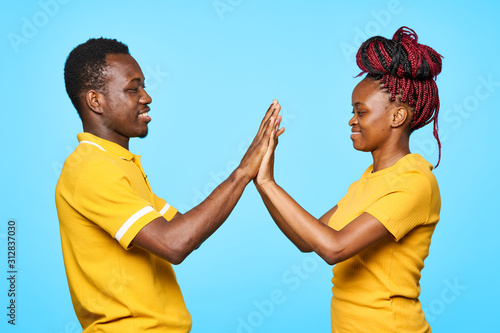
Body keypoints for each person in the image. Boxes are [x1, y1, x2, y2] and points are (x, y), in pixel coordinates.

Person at [55, 37, 283, 332]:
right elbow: (175, 244)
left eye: (144, 86)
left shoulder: (117, 164)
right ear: (95, 101)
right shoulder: (92, 169)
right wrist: (241, 173)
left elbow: (184, 228)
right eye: (132, 88)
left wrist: (253, 175)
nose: (146, 97)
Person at [254, 27, 442, 332]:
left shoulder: (414, 182)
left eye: (361, 112)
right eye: (352, 111)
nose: (352, 120)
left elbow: (334, 248)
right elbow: (306, 240)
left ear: (397, 117)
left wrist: (268, 184)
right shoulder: (369, 180)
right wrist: (262, 179)